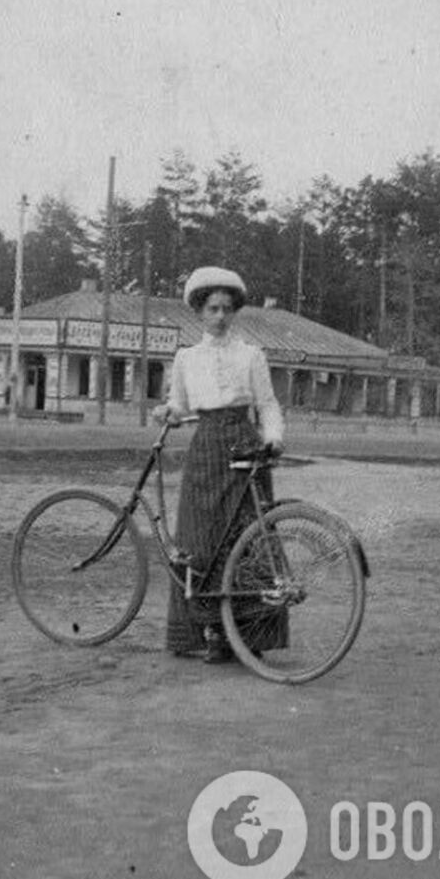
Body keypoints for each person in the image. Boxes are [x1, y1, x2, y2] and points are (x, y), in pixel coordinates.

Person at [149, 267, 285, 664]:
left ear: (235, 312)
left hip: (245, 446)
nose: (221, 316)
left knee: (250, 539)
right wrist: (168, 412)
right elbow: (181, 404)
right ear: (199, 312)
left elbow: (267, 404)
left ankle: (251, 633)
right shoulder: (187, 358)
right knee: (201, 541)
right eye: (213, 308)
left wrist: (274, 438)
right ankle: (209, 632)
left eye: (227, 308)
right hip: (206, 448)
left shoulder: (251, 355)